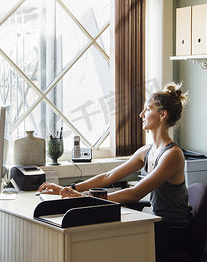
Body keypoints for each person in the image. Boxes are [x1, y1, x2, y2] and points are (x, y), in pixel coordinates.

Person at [38, 82, 192, 261]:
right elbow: (109, 176)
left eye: (147, 109)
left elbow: (135, 193)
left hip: (173, 231)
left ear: (162, 115)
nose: (141, 114)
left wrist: (85, 199)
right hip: (159, 225)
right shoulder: (146, 151)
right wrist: (69, 188)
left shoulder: (172, 155)